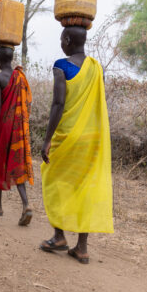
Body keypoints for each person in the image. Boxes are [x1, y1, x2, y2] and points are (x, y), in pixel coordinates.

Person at [38, 25, 113, 264]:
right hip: (92, 138)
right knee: (85, 187)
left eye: (61, 39)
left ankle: (59, 236)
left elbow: (58, 104)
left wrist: (48, 138)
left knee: (55, 180)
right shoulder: (96, 67)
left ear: (68, 39)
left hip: (68, 136)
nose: (61, 43)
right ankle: (81, 247)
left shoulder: (62, 66)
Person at [0, 45, 34, 226]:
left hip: (2, 126)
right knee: (16, 163)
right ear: (11, 59)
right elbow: (28, 102)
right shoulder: (19, 77)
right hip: (17, 126)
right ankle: (26, 204)